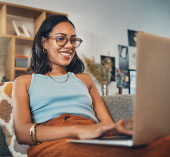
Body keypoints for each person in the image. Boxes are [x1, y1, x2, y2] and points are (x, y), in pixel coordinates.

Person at [12, 15, 169, 157]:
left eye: (73, 40)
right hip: (52, 142)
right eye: (61, 38)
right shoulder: (24, 82)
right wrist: (79, 131)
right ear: (44, 42)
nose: (69, 45)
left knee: (165, 143)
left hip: (93, 137)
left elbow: (106, 123)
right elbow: (22, 133)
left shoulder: (85, 79)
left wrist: (124, 127)